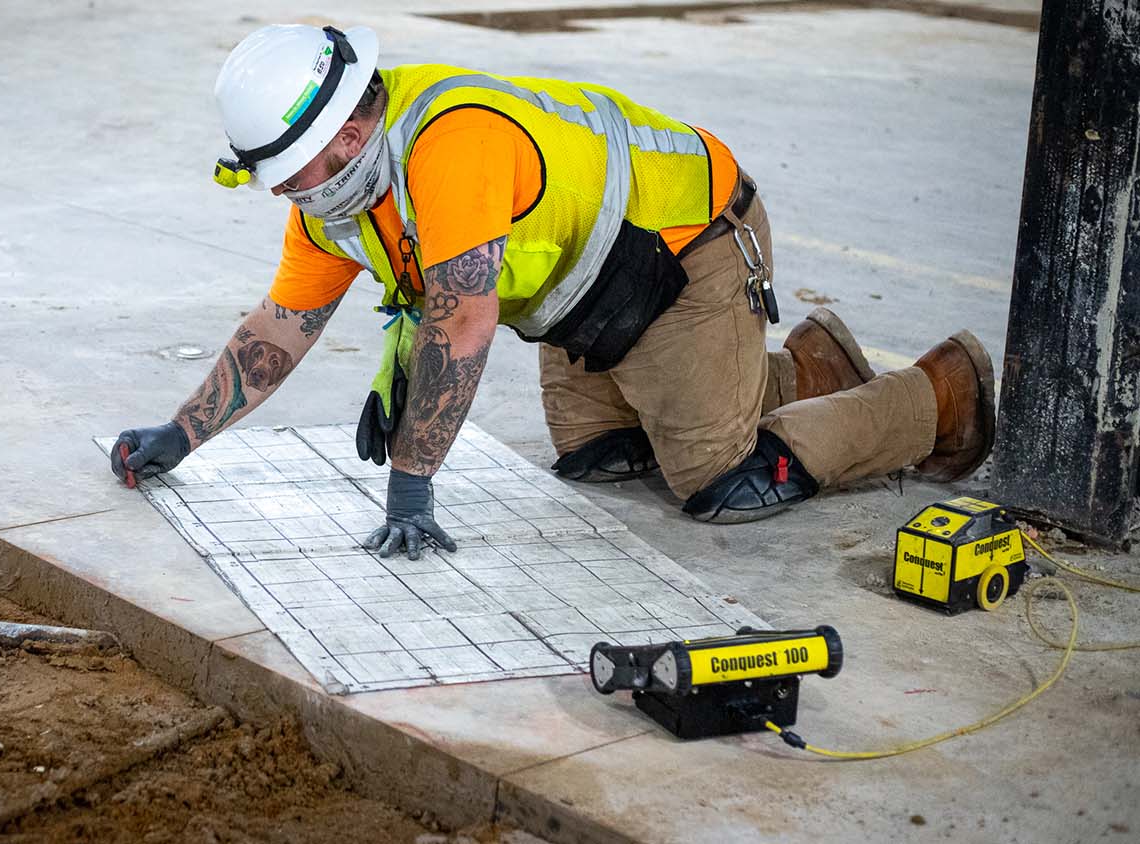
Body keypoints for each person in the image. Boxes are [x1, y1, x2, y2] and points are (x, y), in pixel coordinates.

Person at [110, 24, 995, 559]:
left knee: (719, 480)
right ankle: (802, 368)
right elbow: (281, 324)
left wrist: (413, 487)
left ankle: (936, 396)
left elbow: (459, 326)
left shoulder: (449, 144)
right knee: (601, 457)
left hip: (691, 249)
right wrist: (183, 434)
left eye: (287, 170)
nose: (281, 192)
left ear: (345, 132)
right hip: (598, 297)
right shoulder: (335, 196)